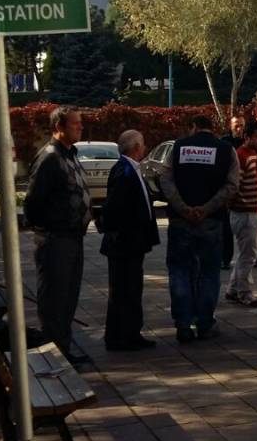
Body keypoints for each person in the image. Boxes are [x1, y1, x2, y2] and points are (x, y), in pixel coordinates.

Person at [160, 115, 239, 343]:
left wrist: (183, 208)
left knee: (179, 270)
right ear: (213, 128)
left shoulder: (178, 147)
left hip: (180, 220)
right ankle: (205, 323)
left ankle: (183, 324)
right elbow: (232, 185)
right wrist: (207, 208)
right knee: (209, 273)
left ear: (193, 127)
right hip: (211, 221)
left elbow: (165, 179)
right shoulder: (226, 150)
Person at [24, 106, 92, 366]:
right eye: (75, 124)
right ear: (58, 127)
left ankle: (64, 349)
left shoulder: (70, 154)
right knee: (54, 300)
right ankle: (54, 356)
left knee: (68, 298)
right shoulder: (50, 158)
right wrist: (48, 228)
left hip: (73, 239)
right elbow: (33, 202)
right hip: (55, 240)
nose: (80, 127)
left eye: (80, 123)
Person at [100, 130, 160, 352]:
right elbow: (116, 207)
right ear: (135, 147)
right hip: (125, 243)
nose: (144, 148)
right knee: (123, 291)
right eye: (142, 144)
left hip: (132, 242)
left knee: (132, 289)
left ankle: (131, 332)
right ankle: (120, 336)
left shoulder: (131, 168)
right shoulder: (124, 171)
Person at [225, 118, 257, 308]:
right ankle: (245, 293)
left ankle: (233, 289)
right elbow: (235, 185)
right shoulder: (242, 155)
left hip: (249, 211)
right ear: (247, 137)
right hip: (245, 212)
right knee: (248, 255)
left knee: (245, 254)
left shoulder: (252, 155)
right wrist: (235, 204)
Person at [220, 114, 246, 268]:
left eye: (241, 125)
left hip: (245, 187)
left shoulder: (248, 141)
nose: (239, 128)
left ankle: (256, 257)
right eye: (236, 125)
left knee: (249, 226)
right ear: (230, 126)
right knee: (226, 227)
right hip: (228, 187)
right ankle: (225, 258)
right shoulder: (224, 142)